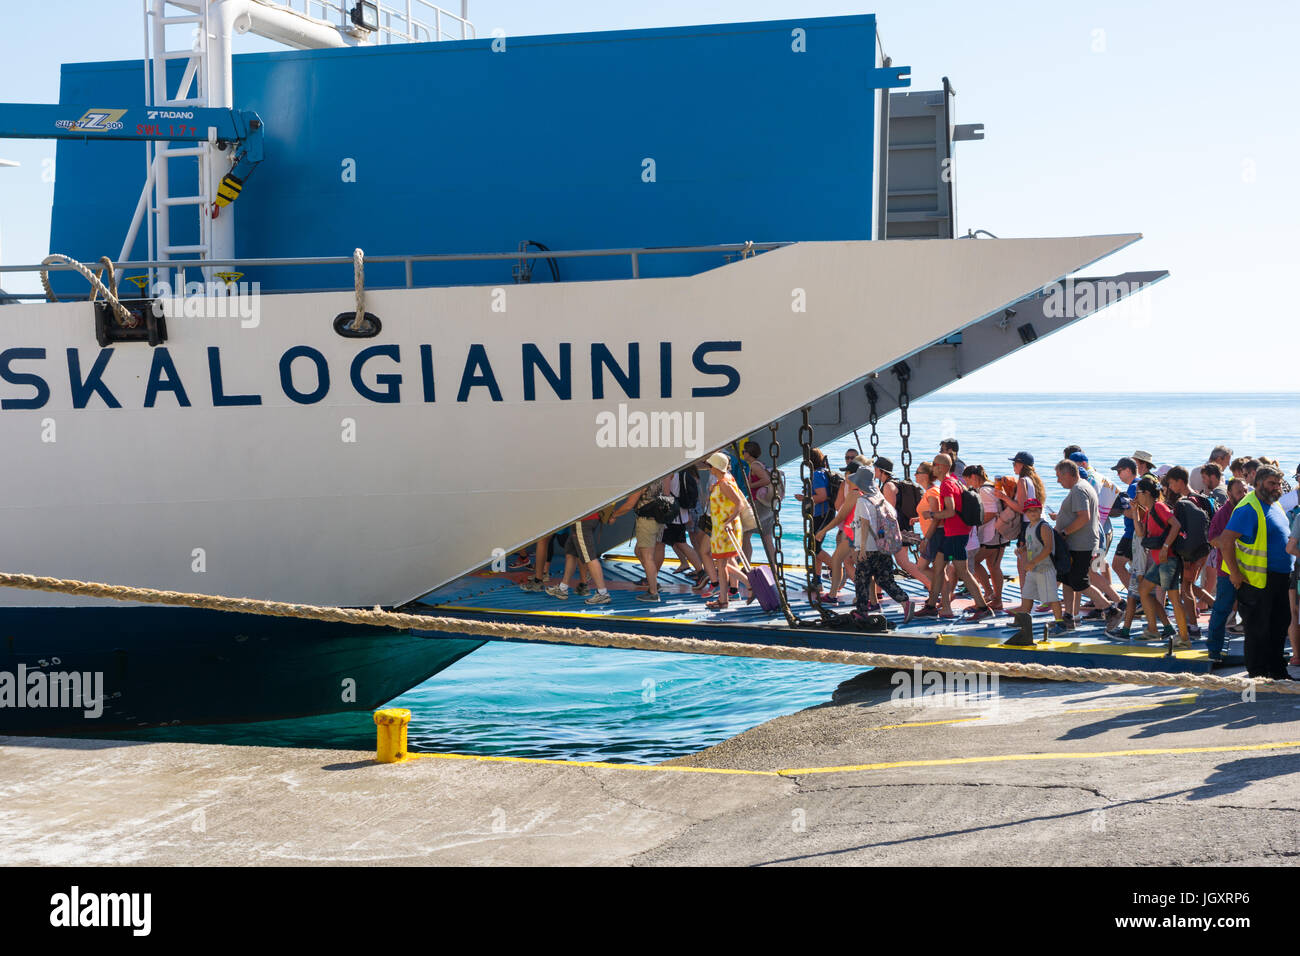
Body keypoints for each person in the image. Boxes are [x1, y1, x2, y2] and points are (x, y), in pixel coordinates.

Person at [1217, 465, 1295, 678]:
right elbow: (1225, 541)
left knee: (1279, 624)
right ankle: (1258, 674)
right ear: (1258, 483)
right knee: (1258, 629)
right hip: (1257, 579)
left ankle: (1277, 671)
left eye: (1278, 484)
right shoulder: (1249, 507)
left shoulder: (1274, 504)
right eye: (1271, 483)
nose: (1276, 488)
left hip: (1279, 578)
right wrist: (1234, 573)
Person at [915, 453, 993, 620]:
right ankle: (931, 606)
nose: (933, 467)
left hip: (956, 534)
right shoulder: (955, 482)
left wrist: (932, 514)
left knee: (963, 572)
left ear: (942, 467)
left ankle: (983, 608)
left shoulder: (946, 485)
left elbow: (950, 511)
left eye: (935, 464)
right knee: (938, 568)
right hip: (952, 534)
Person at [1052, 459, 1120, 630]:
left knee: (1079, 582)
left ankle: (1111, 610)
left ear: (1068, 474)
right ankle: (1069, 617)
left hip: (1081, 545)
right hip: (1077, 545)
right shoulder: (1081, 487)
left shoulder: (1079, 490)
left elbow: (1084, 516)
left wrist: (1064, 532)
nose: (1058, 480)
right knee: (1066, 580)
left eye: (1059, 476)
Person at [845, 468, 914, 623]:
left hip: (869, 547)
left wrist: (861, 548)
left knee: (862, 579)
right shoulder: (880, 498)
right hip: (883, 547)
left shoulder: (863, 501)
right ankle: (905, 602)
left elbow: (864, 523)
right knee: (884, 579)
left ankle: (862, 612)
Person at [1133, 475, 1188, 644]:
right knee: (1143, 590)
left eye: (1138, 493)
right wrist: (1135, 511)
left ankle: (1184, 638)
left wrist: (1165, 548)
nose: (1136, 496)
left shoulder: (1159, 507)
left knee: (1174, 599)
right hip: (1160, 562)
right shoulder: (1149, 512)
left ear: (1147, 493)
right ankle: (1152, 630)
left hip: (1168, 560)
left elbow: (1176, 525)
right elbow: (1141, 534)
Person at [1205, 477, 1248, 660]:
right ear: (1229, 494)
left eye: (1246, 490)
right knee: (1222, 609)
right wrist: (1228, 542)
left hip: (1249, 570)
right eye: (1240, 492)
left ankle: (1255, 650)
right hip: (1227, 571)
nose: (1244, 494)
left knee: (1251, 611)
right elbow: (1212, 539)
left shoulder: (1248, 510)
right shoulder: (1224, 513)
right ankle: (1214, 650)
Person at [611, 478, 668, 602]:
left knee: (647, 557)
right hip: (659, 520)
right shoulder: (660, 478)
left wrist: (614, 515)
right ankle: (653, 582)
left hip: (646, 521)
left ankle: (653, 591)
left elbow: (629, 505)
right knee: (639, 551)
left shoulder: (643, 480)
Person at [702, 450, 746, 611]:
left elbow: (739, 504)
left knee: (722, 564)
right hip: (721, 528)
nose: (709, 468)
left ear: (716, 467)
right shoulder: (723, 481)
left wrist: (728, 521)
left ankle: (748, 584)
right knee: (721, 564)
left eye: (711, 465)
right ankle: (723, 599)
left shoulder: (725, 483)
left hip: (726, 529)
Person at [994, 451, 1045, 587]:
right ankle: (1031, 599)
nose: (1013, 466)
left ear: (1021, 464)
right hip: (1038, 524)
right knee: (1031, 563)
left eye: (1015, 463)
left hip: (1027, 526)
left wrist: (1003, 497)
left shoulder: (1023, 481)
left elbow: (1022, 508)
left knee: (1022, 565)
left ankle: (1025, 602)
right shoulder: (1034, 480)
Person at [963, 464, 1005, 613]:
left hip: (991, 536)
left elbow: (991, 512)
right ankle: (996, 598)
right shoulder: (992, 486)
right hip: (1000, 533)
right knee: (994, 566)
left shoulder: (984, 490)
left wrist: (974, 524)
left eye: (967, 479)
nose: (968, 483)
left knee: (972, 562)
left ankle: (988, 594)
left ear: (973, 477)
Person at [545, 512, 612, 604]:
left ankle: (602, 593)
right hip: (582, 519)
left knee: (589, 556)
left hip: (583, 519)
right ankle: (563, 588)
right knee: (571, 553)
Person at [1013, 499, 1061, 622]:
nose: (1032, 513)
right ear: (1025, 513)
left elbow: (1048, 548)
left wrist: (1033, 562)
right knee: (1027, 595)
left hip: (1045, 568)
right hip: (1033, 568)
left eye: (1035, 510)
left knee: (1052, 598)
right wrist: (1022, 549)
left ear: (1040, 510)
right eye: (1029, 511)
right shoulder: (1029, 527)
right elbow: (1031, 544)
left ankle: (1059, 622)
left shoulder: (1043, 526)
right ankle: (1023, 622)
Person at [794, 447, 833, 589]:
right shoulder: (824, 472)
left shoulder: (816, 475)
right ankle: (817, 581)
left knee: (814, 547)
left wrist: (804, 498)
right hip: (823, 514)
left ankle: (836, 566)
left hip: (821, 514)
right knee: (817, 547)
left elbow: (821, 496)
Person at [741, 441, 776, 565]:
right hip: (767, 505)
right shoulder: (761, 464)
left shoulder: (754, 466)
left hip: (760, 505)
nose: (743, 454)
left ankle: (746, 565)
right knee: (767, 538)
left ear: (749, 453)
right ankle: (774, 567)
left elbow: (766, 480)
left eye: (744, 451)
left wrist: (750, 485)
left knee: (746, 534)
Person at [1110, 456, 1139, 589]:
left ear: (1128, 470)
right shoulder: (1142, 483)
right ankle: (1146, 597)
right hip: (1140, 534)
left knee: (1117, 565)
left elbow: (1133, 513)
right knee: (1139, 570)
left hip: (1131, 533)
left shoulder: (1133, 487)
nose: (1118, 474)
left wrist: (1118, 509)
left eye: (1119, 471)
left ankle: (1137, 597)